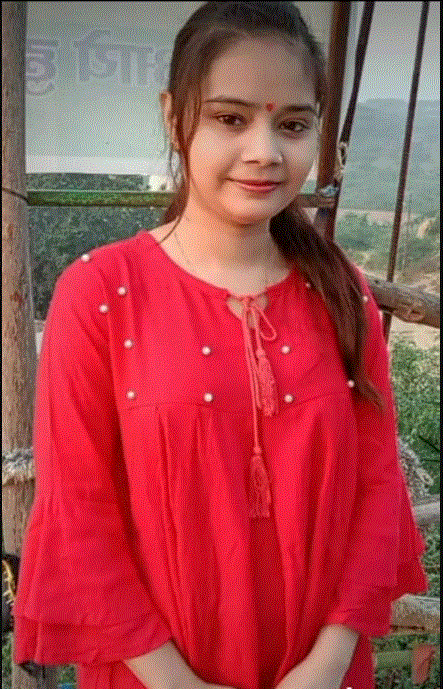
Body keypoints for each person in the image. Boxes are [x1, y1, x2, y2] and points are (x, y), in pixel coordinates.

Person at [13, 3, 427, 689]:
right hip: (150, 672)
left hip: (322, 670)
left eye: (292, 124)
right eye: (230, 119)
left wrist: (326, 665)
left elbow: (376, 490)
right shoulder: (101, 293)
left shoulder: (341, 292)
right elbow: (78, 514)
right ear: (174, 116)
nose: (265, 151)